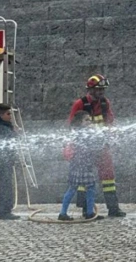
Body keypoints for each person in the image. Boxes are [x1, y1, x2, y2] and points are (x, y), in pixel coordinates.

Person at [68, 75, 124, 218]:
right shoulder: (80, 104)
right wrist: (73, 146)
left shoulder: (105, 103)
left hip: (102, 147)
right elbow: (72, 126)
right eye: (98, 89)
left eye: (103, 89)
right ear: (90, 89)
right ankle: (86, 210)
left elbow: (110, 122)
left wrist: (113, 136)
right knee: (84, 178)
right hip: (85, 149)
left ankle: (113, 208)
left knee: (108, 176)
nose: (101, 92)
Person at [59, 111, 103, 221]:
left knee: (76, 188)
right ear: (80, 122)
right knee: (86, 187)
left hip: (80, 165)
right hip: (82, 165)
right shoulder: (82, 133)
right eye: (87, 120)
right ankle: (86, 213)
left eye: (90, 120)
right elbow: (95, 145)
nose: (89, 122)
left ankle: (65, 213)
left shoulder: (78, 132)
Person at [0, 104, 20, 220]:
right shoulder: (2, 128)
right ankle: (4, 211)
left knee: (6, 185)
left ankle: (3, 210)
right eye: (8, 114)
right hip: (4, 162)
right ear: (1, 115)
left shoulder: (2, 126)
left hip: (4, 161)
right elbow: (9, 142)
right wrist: (15, 133)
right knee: (6, 186)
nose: (10, 116)